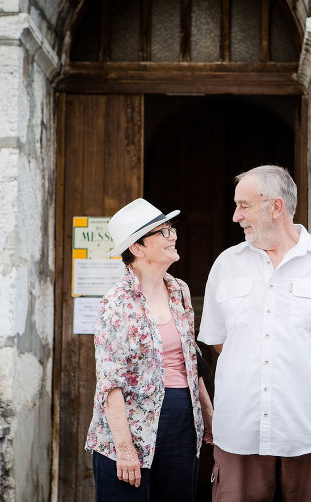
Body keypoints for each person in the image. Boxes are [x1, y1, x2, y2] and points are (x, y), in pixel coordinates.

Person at [198, 165, 311, 502]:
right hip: (240, 430)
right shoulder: (226, 264)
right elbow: (220, 342)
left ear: (275, 207)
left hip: (309, 430)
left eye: (243, 205)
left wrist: (302, 366)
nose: (235, 216)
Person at [85, 198, 214, 502]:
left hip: (182, 418)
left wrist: (208, 414)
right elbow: (110, 380)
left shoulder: (180, 291)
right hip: (128, 425)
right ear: (137, 248)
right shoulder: (116, 303)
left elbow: (190, 360)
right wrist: (125, 449)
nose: (173, 236)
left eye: (171, 229)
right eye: (163, 232)